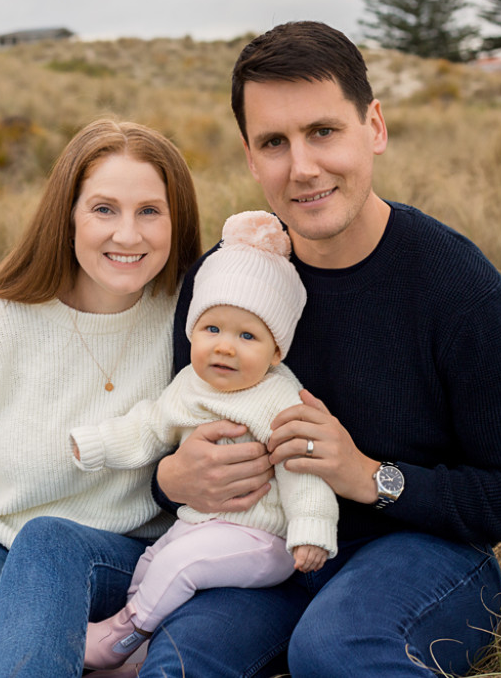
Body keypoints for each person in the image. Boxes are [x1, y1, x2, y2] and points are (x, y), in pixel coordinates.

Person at [139, 21, 501, 677]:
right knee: (178, 658)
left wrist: (371, 476)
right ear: (251, 156)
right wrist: (169, 479)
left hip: (425, 554)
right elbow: (176, 436)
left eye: (323, 131)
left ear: (373, 125)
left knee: (335, 648)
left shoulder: (457, 286)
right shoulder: (225, 281)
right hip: (264, 548)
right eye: (274, 143)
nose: (303, 166)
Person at [0, 118, 201, 677]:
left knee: (50, 557)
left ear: (177, 220)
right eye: (103, 209)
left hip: (124, 558)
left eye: (149, 211)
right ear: (67, 214)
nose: (128, 234)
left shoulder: (199, 322)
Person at [71, 210, 338, 670]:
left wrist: (310, 529)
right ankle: (133, 658)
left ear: (276, 351)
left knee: (183, 564)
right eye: (212, 329)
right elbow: (149, 425)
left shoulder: (279, 398)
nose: (225, 346)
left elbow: (304, 468)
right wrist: (96, 445)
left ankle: (124, 630)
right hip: (200, 524)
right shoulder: (189, 385)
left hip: (262, 538)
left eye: (247, 335)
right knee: (154, 561)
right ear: (193, 330)